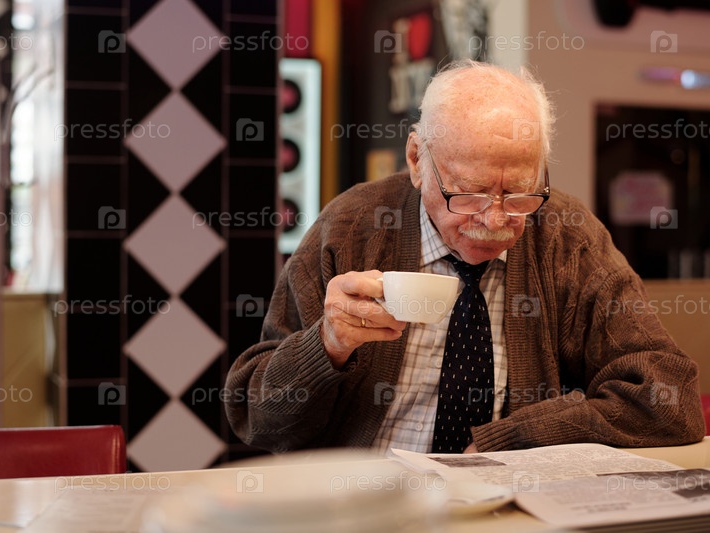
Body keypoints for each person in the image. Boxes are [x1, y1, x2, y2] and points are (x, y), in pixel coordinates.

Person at [224, 60, 705, 454]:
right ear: (417, 160)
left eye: (518, 193)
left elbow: (670, 398)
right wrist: (326, 345)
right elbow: (255, 418)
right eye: (470, 193)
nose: (495, 219)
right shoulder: (351, 228)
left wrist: (519, 437)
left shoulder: (566, 236)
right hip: (366, 500)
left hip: (509, 503)